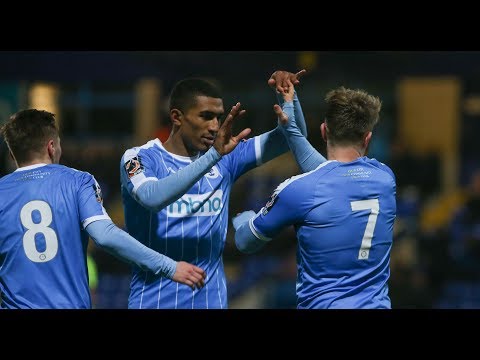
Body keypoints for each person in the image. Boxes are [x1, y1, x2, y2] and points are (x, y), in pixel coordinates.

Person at [120, 70, 307, 309]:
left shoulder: (226, 156)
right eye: (205, 116)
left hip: (210, 302)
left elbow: (293, 136)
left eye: (218, 117)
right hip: (153, 303)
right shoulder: (139, 158)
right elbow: (152, 197)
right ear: (177, 117)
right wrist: (213, 156)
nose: (214, 126)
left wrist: (288, 96)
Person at [0, 109, 206, 309]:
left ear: (11, 152)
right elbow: (105, 235)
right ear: (51, 147)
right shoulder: (78, 181)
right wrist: (169, 266)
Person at [233, 78, 396, 309]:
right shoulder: (385, 178)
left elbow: (244, 241)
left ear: (323, 130)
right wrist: (290, 119)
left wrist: (243, 218)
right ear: (368, 138)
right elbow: (329, 172)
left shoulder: (300, 190)